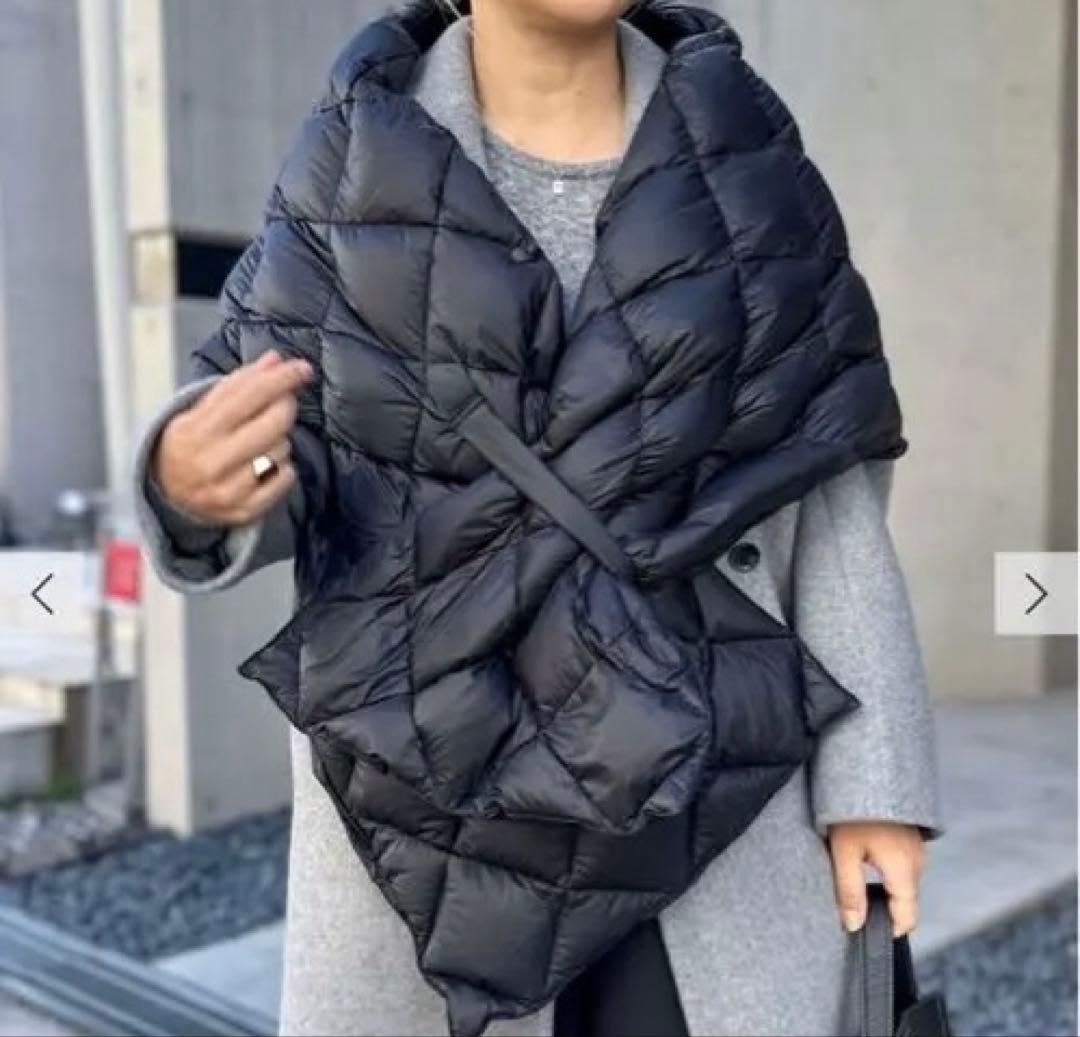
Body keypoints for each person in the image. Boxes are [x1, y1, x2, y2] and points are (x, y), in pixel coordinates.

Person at [132, 1, 944, 1034]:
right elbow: (276, 450)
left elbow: (826, 485)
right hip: (434, 786)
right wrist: (185, 485)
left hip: (709, 765)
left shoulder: (747, 153)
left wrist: (875, 777)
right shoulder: (352, 166)